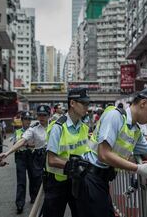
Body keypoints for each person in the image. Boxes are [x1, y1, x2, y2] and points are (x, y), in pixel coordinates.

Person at [76, 88, 147, 217]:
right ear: (143, 103)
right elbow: (104, 154)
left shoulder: (134, 129)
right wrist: (138, 168)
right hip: (89, 177)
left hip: (101, 179)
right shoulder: (115, 116)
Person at [43, 88, 92, 217]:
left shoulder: (84, 128)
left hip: (77, 181)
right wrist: (73, 165)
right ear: (72, 103)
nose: (87, 107)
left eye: (88, 104)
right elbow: (51, 159)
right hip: (57, 183)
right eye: (84, 103)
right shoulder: (58, 127)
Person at [0, 104, 51, 203]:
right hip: (39, 160)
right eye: (39, 115)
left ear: (49, 115)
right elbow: (22, 141)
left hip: (52, 160)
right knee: (36, 184)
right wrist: (7, 153)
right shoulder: (33, 129)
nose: (41, 117)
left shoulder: (56, 127)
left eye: (44, 115)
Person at [12, 111, 34, 214]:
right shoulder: (17, 132)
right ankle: (20, 204)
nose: (28, 121)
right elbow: (15, 144)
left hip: (31, 156)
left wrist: (24, 144)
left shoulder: (34, 131)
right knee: (21, 181)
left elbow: (35, 144)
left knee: (33, 178)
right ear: (22, 120)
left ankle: (34, 198)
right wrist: (25, 144)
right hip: (20, 157)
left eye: (29, 119)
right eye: (26, 119)